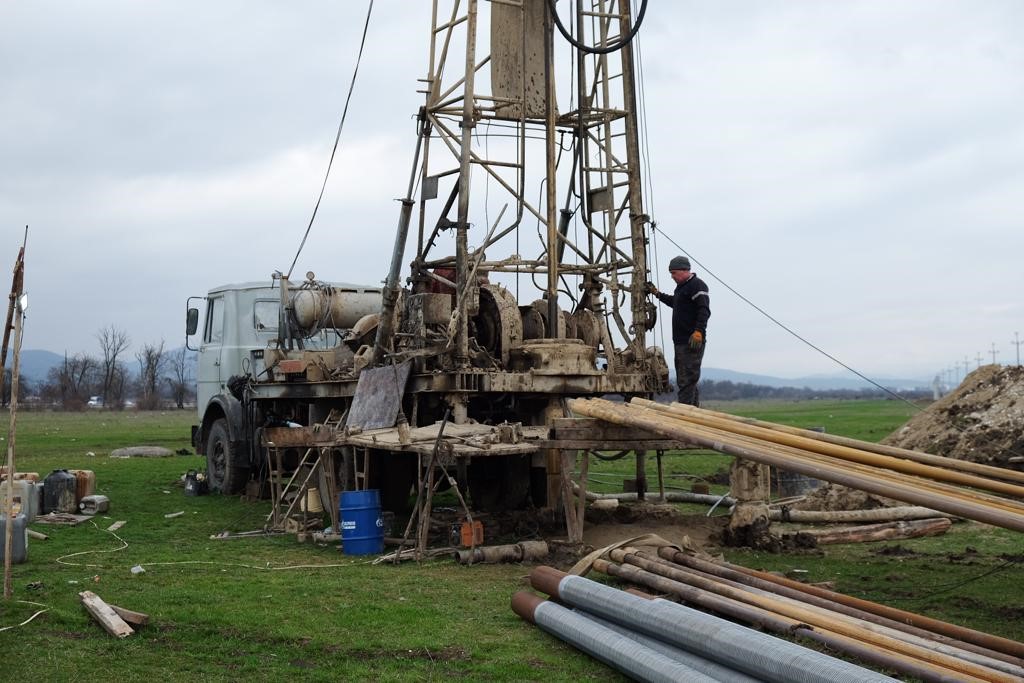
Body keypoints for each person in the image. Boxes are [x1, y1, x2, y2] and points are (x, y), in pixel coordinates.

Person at [647, 255, 710, 406]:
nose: (672, 276)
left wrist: (699, 332)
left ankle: (685, 413)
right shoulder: (682, 288)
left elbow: (704, 310)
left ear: (684, 270)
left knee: (686, 380)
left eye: (674, 273)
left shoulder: (697, 285)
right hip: (681, 342)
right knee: (688, 380)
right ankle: (693, 412)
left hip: (692, 341)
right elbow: (675, 302)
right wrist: (657, 294)